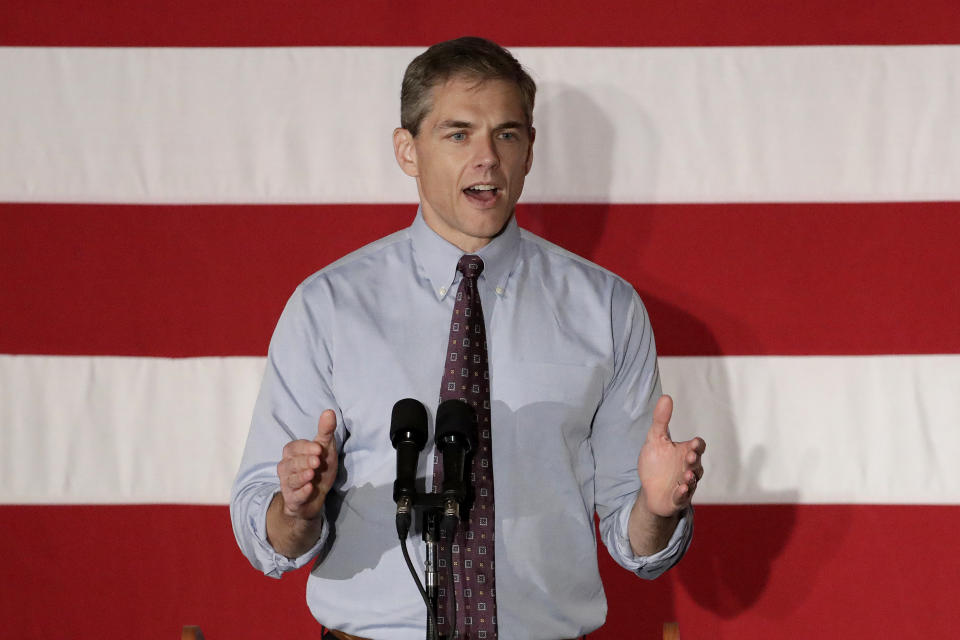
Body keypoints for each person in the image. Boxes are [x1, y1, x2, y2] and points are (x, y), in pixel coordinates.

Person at [231, 36, 706, 640]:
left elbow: (636, 541)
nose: (487, 157)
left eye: (507, 134)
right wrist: (295, 508)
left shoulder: (606, 308)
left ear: (529, 152)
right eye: (458, 133)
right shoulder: (330, 306)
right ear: (408, 150)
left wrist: (658, 511)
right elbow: (265, 531)